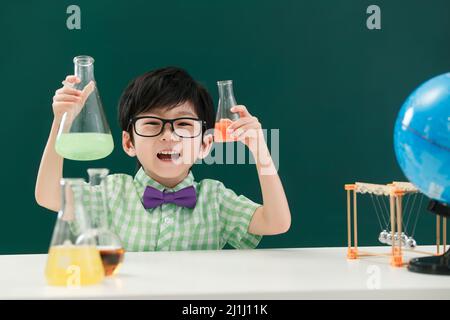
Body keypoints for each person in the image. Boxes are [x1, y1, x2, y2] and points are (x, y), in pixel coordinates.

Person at [35, 66, 291, 251]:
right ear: (128, 142)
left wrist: (260, 149)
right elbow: (47, 195)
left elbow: (276, 222)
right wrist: (62, 119)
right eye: (151, 123)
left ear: (205, 144)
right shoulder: (111, 193)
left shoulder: (216, 199)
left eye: (183, 123)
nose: (168, 135)